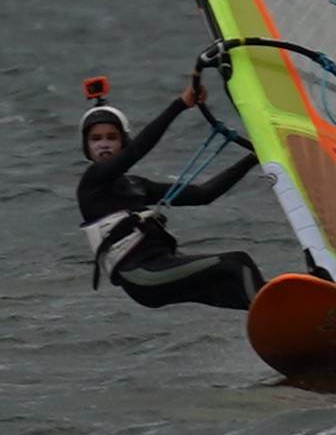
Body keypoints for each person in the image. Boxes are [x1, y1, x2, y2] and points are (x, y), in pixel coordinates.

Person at [76, 76, 268, 310]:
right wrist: (180, 105)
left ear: (122, 142)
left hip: (163, 267)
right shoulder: (92, 183)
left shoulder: (137, 185)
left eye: (111, 137)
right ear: (86, 147)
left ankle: (300, 321)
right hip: (142, 275)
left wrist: (254, 157)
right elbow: (138, 150)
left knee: (237, 285)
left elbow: (204, 193)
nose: (103, 144)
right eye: (95, 139)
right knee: (238, 263)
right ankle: (277, 320)